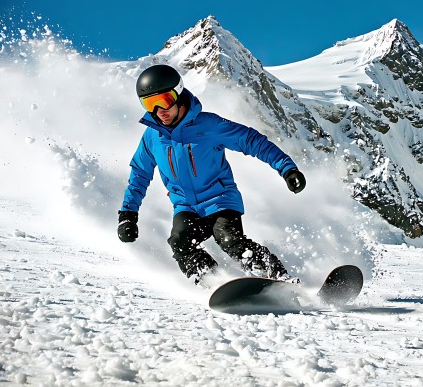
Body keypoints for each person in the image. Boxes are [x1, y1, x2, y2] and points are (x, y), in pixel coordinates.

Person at [117, 64, 305, 284]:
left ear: (178, 94)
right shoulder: (152, 137)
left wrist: (287, 168)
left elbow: (252, 141)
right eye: (150, 104)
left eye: (165, 100)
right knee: (179, 242)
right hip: (186, 206)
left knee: (228, 239)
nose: (160, 110)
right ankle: (212, 281)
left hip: (220, 199)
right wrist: (127, 216)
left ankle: (278, 277)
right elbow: (139, 174)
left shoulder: (209, 125)